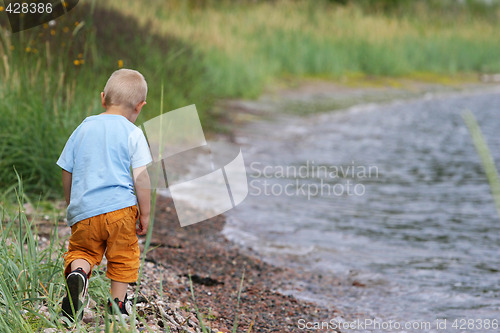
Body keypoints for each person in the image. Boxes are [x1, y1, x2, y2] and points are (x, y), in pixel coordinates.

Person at [56, 68, 152, 321]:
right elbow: (141, 176)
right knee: (123, 255)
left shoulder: (84, 127)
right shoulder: (133, 133)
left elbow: (67, 168)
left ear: (103, 98)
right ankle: (117, 306)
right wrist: (146, 213)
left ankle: (78, 275)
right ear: (139, 107)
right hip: (120, 210)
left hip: (85, 211)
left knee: (83, 252)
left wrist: (71, 202)